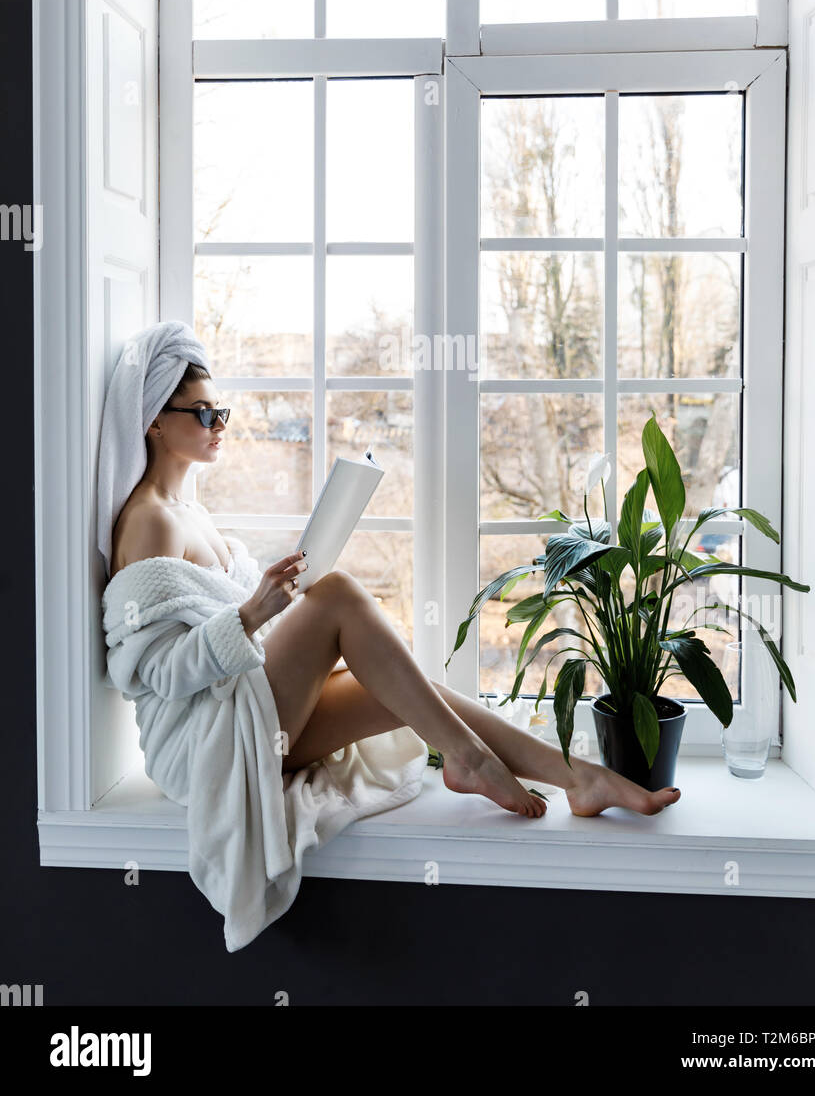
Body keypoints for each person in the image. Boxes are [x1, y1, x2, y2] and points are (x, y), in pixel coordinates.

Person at [98, 321, 681, 948]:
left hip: (247, 714)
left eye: (223, 411)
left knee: (399, 687)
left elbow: (226, 626)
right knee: (342, 593)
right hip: (204, 744)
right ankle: (467, 757)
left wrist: (271, 600)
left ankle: (578, 778)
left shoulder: (193, 512)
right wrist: (252, 614)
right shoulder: (149, 523)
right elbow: (153, 672)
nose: (220, 425)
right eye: (203, 413)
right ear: (155, 420)